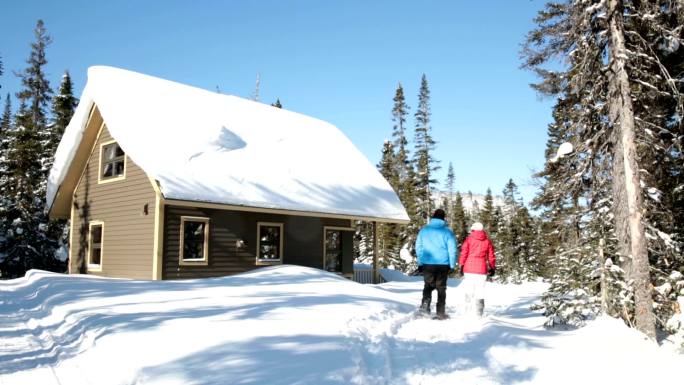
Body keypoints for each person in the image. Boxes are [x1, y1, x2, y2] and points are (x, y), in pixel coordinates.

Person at [416, 208, 458, 320]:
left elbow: (418, 248)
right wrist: (452, 264)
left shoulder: (424, 230)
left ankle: (425, 307)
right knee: (441, 288)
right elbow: (452, 249)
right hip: (443, 264)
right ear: (443, 218)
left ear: (433, 217)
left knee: (428, 286)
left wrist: (420, 262)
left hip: (427, 263)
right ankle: (440, 312)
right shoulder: (448, 232)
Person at [458, 222, 496, 317]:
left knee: (469, 289)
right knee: (480, 291)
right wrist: (492, 267)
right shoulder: (487, 241)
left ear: (473, 229)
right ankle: (479, 313)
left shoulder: (469, 240)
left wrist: (461, 265)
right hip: (481, 269)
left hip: (469, 269)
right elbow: (491, 256)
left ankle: (467, 310)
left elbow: (464, 253)